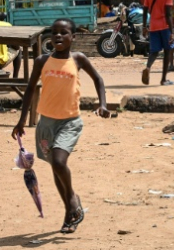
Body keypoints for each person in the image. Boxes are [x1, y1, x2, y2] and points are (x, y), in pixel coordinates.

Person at [11, 18, 110, 234]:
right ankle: (69, 214)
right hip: (45, 123)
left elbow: (99, 79)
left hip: (70, 122)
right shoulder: (41, 61)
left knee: (58, 161)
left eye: (64, 32)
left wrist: (102, 104)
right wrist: (21, 120)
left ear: (73, 37)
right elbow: (29, 90)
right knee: (56, 169)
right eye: (54, 32)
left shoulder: (78, 59)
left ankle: (72, 199)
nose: (58, 36)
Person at [142, 0, 174, 86]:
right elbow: (168, 14)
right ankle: (163, 79)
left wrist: (144, 27)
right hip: (165, 27)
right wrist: (172, 31)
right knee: (167, 51)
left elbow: (145, 11)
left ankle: (148, 67)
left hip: (153, 26)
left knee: (154, 51)